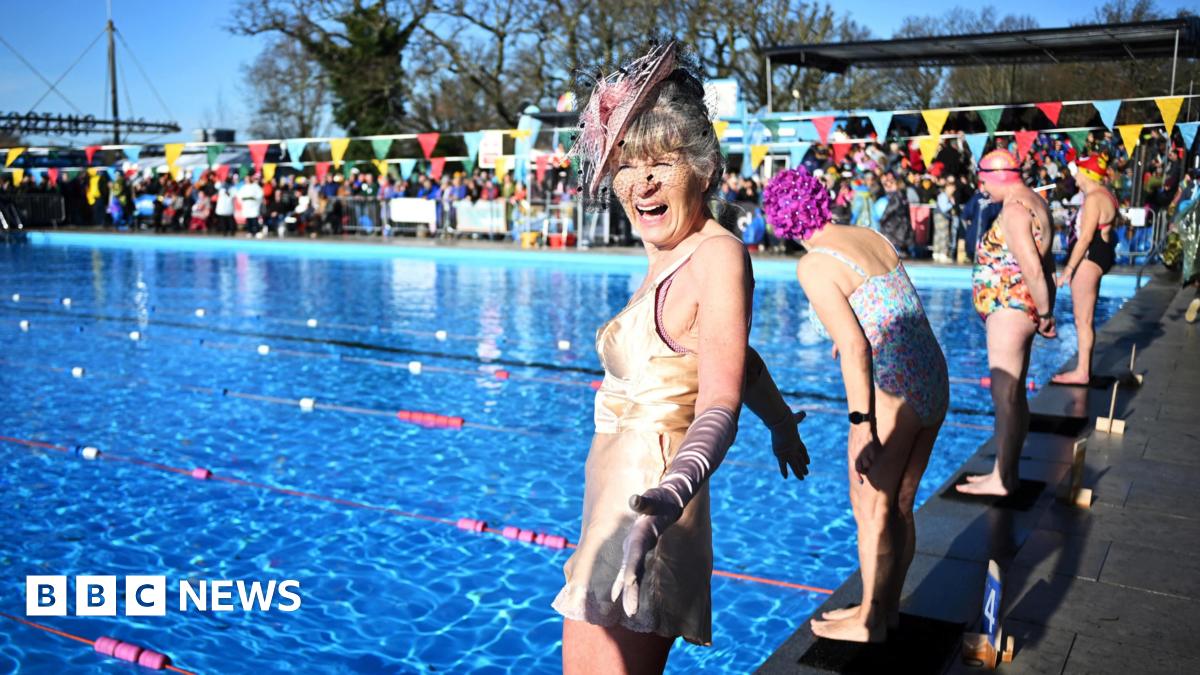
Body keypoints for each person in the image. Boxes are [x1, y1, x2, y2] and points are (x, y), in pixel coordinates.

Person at [552, 42, 808, 674]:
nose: (641, 181)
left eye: (661, 162)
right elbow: (736, 363)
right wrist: (780, 422)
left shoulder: (716, 256)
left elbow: (718, 398)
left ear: (700, 166)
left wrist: (671, 494)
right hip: (621, 504)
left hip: (651, 509)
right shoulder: (669, 254)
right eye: (628, 164)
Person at [763, 167, 948, 643]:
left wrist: (861, 423)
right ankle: (885, 611)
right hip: (932, 375)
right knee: (901, 503)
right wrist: (849, 337)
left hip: (893, 388)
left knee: (869, 506)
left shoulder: (813, 264)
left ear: (779, 221)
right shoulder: (868, 234)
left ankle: (868, 621)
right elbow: (886, 304)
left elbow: (857, 346)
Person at [959, 150, 1057, 497]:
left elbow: (1031, 266)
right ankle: (1005, 472)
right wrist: (1044, 308)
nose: (981, 186)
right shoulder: (1035, 202)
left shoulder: (1015, 209)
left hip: (1010, 309)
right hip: (1018, 307)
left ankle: (1002, 479)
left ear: (999, 176)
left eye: (983, 179)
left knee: (1005, 396)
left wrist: (1046, 314)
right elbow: (1046, 265)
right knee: (1013, 396)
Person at [1052, 156, 1118, 385]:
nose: (1075, 177)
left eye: (1078, 172)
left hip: (1090, 258)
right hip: (1101, 255)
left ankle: (1082, 372)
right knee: (1085, 319)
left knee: (1083, 320)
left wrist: (1068, 270)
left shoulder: (1094, 199)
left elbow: (1085, 238)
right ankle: (1083, 368)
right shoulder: (1106, 195)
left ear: (1087, 174)